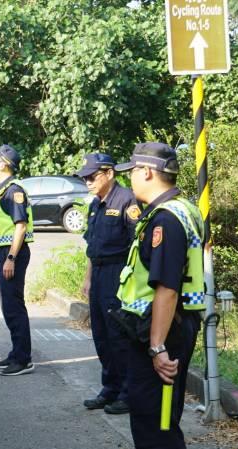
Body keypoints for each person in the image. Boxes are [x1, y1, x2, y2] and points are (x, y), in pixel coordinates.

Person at [113, 143, 205, 449]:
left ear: (148, 172)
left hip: (163, 334)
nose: (129, 177)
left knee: (157, 423)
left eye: (132, 170)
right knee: (160, 420)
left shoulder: (166, 219)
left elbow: (166, 288)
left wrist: (157, 347)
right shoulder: (184, 209)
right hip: (171, 329)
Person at [75, 153, 141, 415]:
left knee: (118, 335)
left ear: (110, 173)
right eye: (85, 178)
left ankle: (127, 392)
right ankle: (110, 388)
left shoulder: (126, 200)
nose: (88, 181)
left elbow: (137, 243)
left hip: (118, 271)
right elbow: (92, 245)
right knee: (101, 334)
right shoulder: (95, 204)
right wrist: (88, 278)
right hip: (99, 273)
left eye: (93, 176)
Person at [0, 144, 34, 376]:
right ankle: (17, 353)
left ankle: (23, 359)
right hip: (4, 253)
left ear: (4, 163)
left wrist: (11, 258)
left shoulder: (13, 191)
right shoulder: (3, 189)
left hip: (12, 253)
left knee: (14, 306)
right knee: (9, 305)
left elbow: (21, 226)